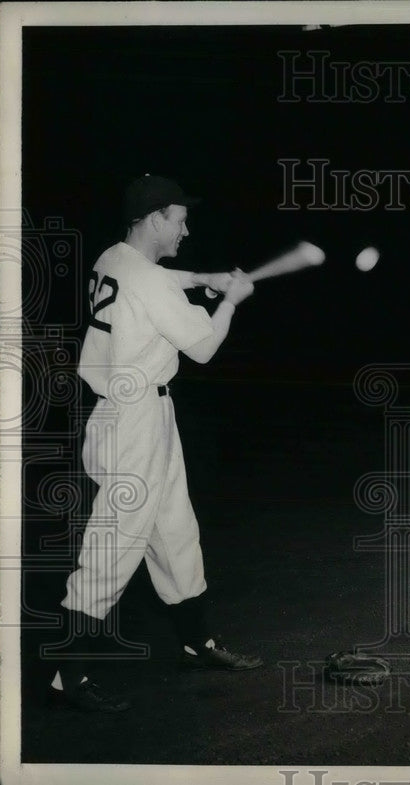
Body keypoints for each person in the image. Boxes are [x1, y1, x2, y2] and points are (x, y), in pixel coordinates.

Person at [49, 175, 261, 713]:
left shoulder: (113, 257)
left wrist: (201, 278)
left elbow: (156, 280)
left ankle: (197, 643)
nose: (186, 228)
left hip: (136, 414)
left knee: (175, 532)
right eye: (178, 217)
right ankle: (65, 678)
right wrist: (230, 300)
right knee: (112, 548)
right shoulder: (152, 282)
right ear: (152, 218)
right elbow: (205, 347)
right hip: (134, 423)